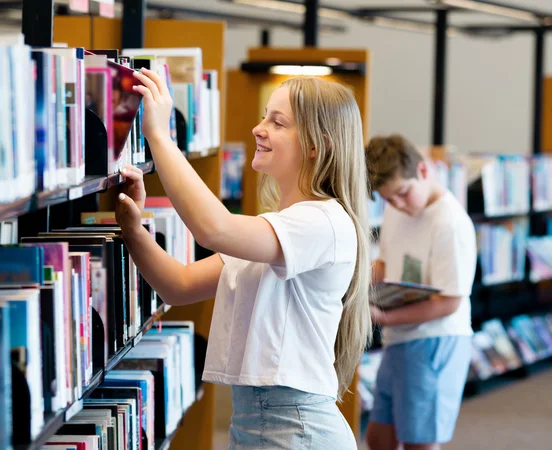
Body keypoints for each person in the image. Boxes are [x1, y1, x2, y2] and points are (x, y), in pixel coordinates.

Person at [115, 68, 372, 449]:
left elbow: (213, 229)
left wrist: (158, 135)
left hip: (295, 430)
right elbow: (180, 286)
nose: (258, 128)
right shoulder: (277, 231)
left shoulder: (323, 222)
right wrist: (134, 231)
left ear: (318, 146)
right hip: (261, 425)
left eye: (277, 122)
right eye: (265, 115)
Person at [364, 135, 477, 450]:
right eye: (388, 200)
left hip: (434, 340)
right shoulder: (397, 209)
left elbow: (450, 302)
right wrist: (355, 286)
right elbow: (386, 265)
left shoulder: (450, 223)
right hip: (399, 338)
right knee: (378, 438)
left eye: (402, 193)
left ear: (424, 172)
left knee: (419, 443)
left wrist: (383, 317)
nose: (397, 204)